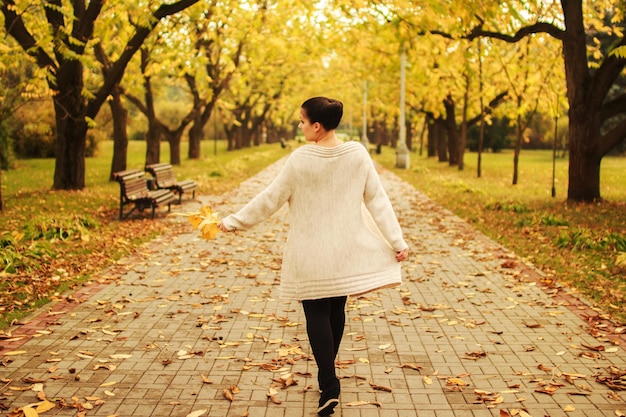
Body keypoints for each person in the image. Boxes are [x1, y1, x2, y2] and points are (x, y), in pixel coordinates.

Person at [218, 96, 409, 416]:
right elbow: (378, 200)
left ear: (317, 127)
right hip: (345, 250)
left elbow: (270, 200)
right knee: (336, 310)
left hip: (310, 253)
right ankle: (328, 377)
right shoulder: (357, 155)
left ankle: (329, 382)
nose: (299, 125)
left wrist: (233, 222)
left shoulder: (300, 160)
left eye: (302, 121)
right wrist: (397, 240)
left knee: (317, 315)